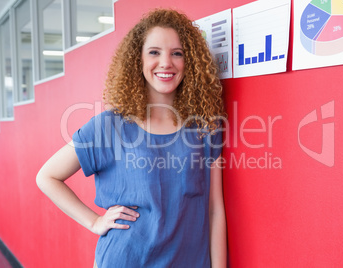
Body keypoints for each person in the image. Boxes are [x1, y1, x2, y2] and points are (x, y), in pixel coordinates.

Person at [36, 8, 227, 268]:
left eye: (177, 53)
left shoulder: (207, 127)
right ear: (137, 60)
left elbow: (214, 209)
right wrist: (94, 221)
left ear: (189, 61)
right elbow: (47, 177)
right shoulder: (109, 126)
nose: (166, 62)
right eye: (154, 52)